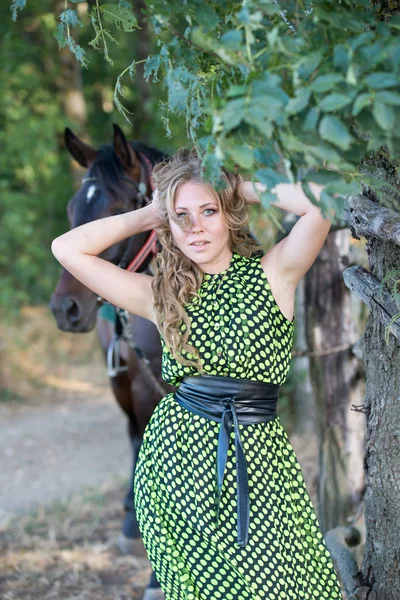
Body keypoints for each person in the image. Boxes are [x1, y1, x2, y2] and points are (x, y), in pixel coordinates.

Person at [51, 147, 343, 600]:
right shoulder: (159, 295)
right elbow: (66, 248)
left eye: (208, 211)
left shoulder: (274, 274)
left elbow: (323, 200)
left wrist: (237, 187)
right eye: (181, 216)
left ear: (229, 213)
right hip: (177, 464)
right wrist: (152, 211)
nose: (196, 226)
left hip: (258, 461)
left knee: (286, 582)